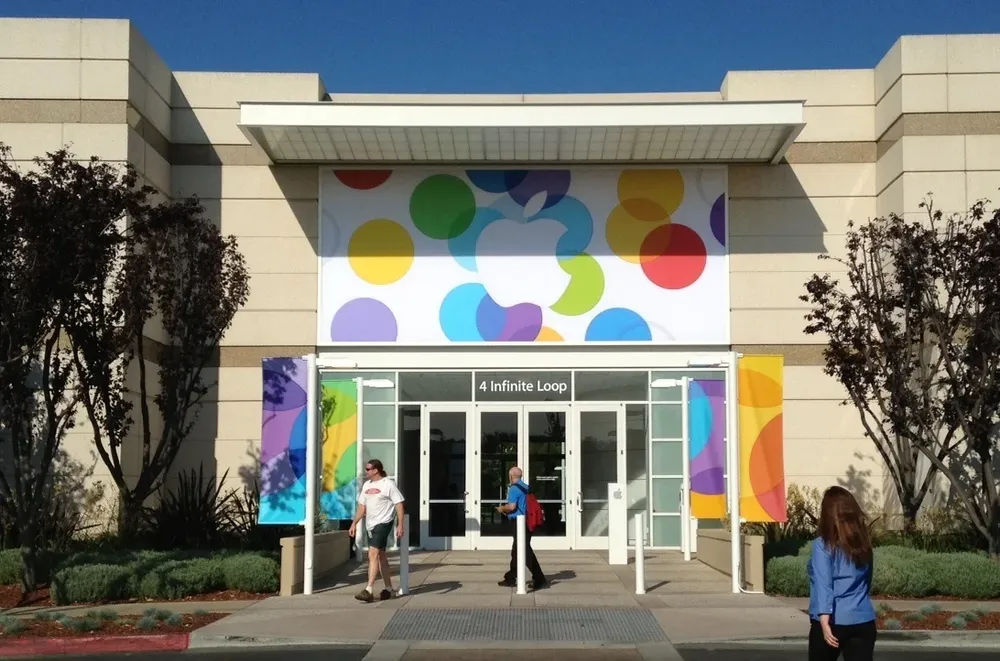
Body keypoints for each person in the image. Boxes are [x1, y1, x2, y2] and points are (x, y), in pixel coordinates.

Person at [808, 486, 877, 661]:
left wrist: (824, 618)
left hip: (832, 622)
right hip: (863, 619)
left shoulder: (823, 546)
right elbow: (867, 581)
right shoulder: (863, 545)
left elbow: (824, 584)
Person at [349, 459, 405, 603]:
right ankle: (388, 589)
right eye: (366, 469)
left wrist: (400, 525)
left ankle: (368, 590)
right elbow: (362, 507)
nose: (366, 471)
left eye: (368, 469)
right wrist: (354, 523)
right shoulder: (367, 485)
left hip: (383, 523)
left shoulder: (388, 484)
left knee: (372, 554)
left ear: (376, 470)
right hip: (370, 525)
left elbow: (399, 505)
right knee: (381, 556)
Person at [495, 467, 547, 589]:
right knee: (516, 550)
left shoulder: (514, 489)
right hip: (528, 521)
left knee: (524, 551)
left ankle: (539, 578)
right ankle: (511, 577)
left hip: (520, 523)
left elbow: (512, 507)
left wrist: (501, 508)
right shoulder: (525, 486)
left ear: (510, 476)